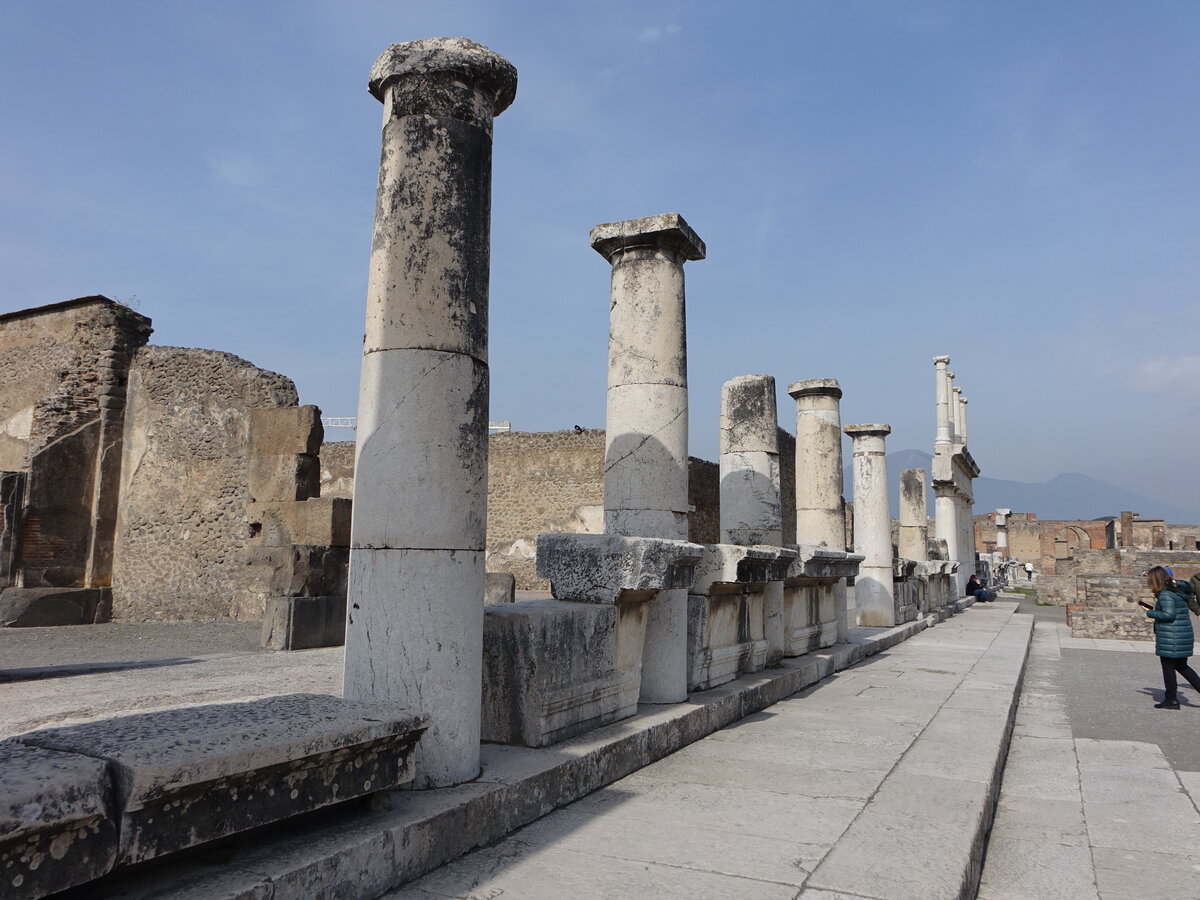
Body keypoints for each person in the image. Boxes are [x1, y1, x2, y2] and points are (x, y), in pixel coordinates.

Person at [1137, 566, 1200, 710]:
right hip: (1180, 635)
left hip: (1172, 637)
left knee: (1169, 668)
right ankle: (1171, 698)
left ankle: (1171, 699)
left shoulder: (1165, 594)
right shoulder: (1177, 591)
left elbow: (1168, 615)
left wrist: (1150, 612)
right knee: (1182, 667)